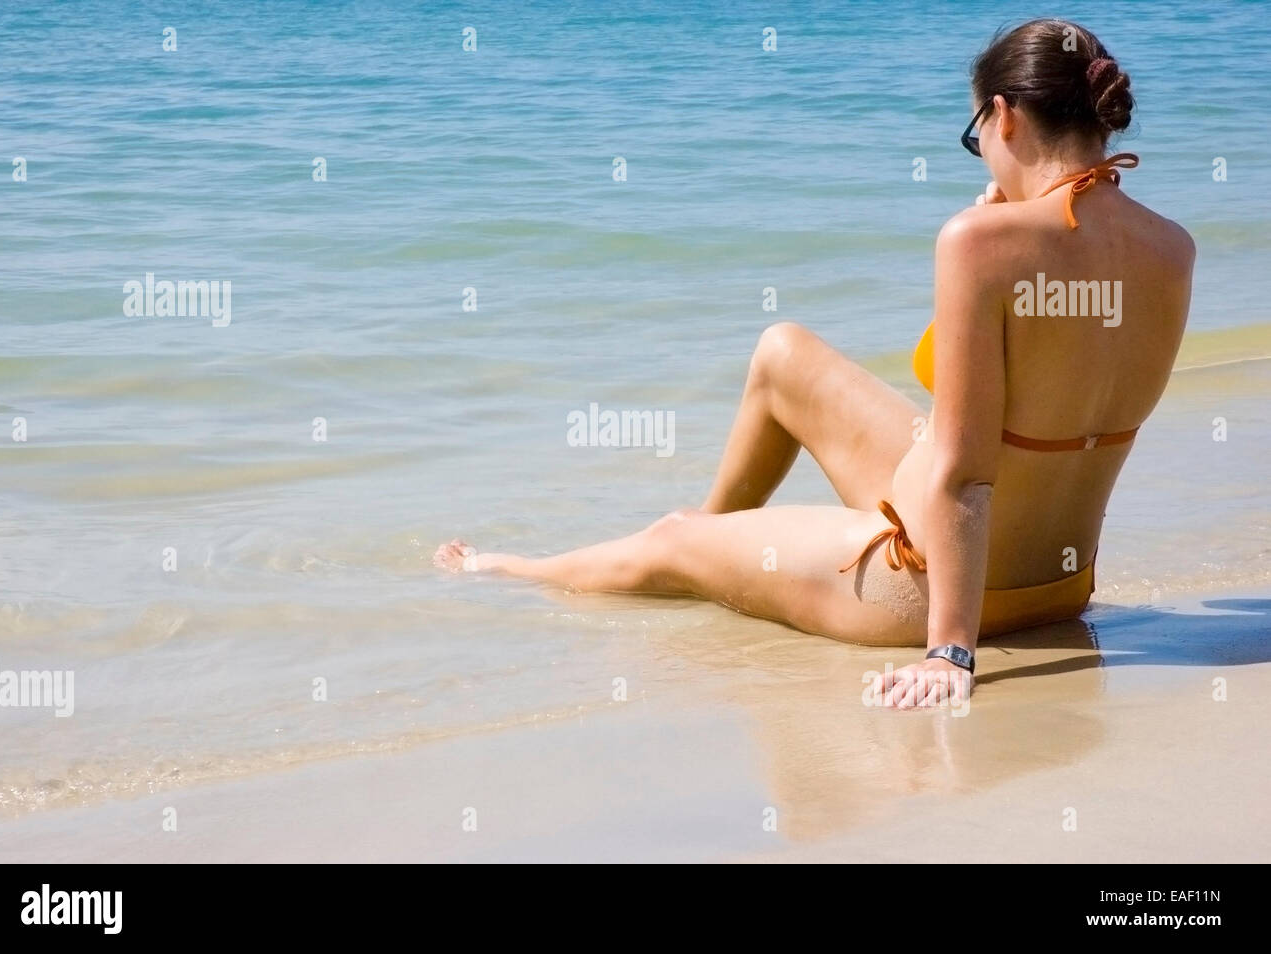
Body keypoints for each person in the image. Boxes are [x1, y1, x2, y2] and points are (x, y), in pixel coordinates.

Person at [435, 19, 1195, 707]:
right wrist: (1005, 225)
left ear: (1004, 116)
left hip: (929, 585)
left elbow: (966, 476)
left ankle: (523, 568)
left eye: (976, 136)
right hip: (1059, 586)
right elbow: (1043, 405)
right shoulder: (1172, 249)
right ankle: (715, 544)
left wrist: (950, 653)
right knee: (783, 355)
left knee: (667, 536)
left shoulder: (978, 243)